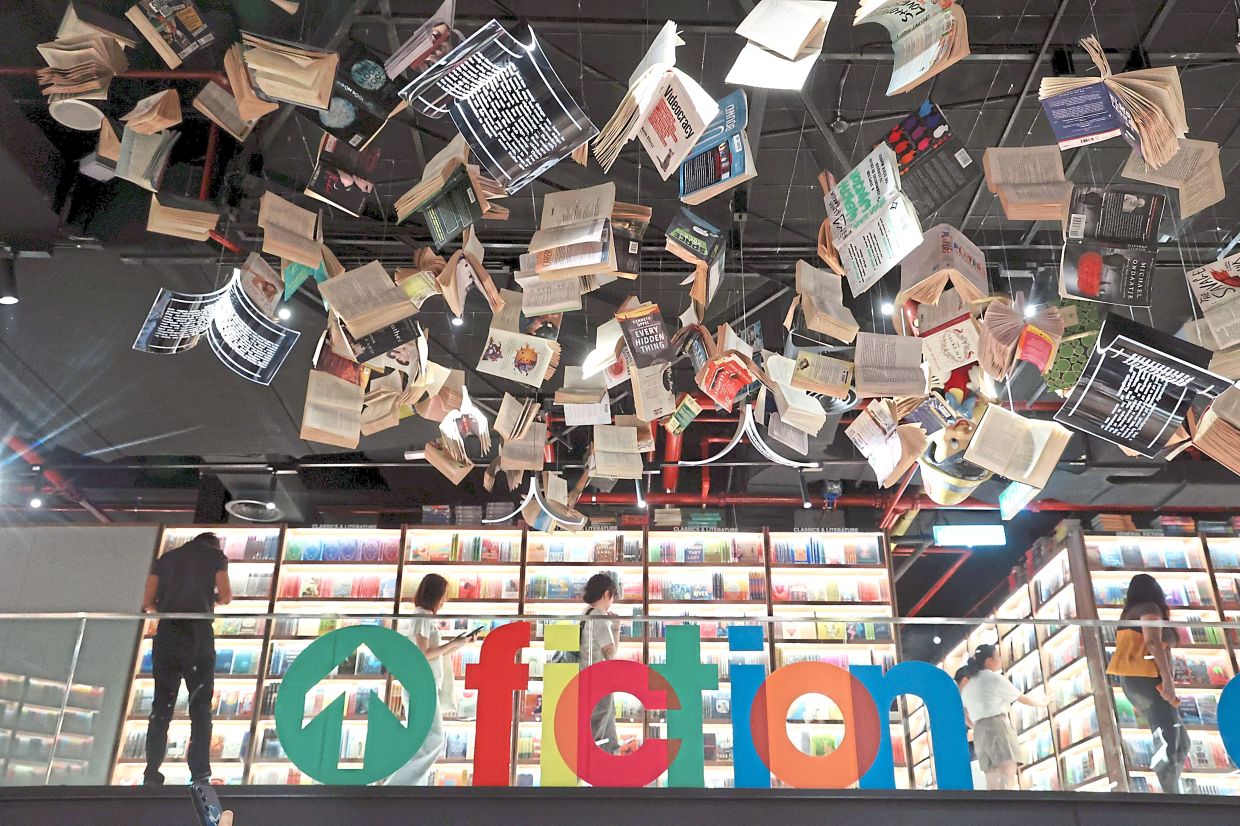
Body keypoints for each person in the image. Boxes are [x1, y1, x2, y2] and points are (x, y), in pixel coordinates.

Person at [141, 532, 232, 785]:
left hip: (167, 634)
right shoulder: (216, 557)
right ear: (214, 544)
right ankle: (200, 772)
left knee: (161, 705)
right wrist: (210, 600)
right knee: (200, 705)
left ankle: (152, 770)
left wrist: (169, 607)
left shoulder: (166, 558)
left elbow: (147, 601)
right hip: (198, 635)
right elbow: (225, 595)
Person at [385, 573, 478, 785]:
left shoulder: (424, 617)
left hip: (424, 685)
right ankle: (398, 787)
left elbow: (432, 653)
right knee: (433, 739)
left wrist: (457, 643)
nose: (444, 601)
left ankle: (403, 787)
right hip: (421, 686)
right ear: (434, 594)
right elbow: (423, 653)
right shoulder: (422, 616)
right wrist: (452, 644)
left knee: (424, 740)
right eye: (443, 595)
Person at [1106, 574, 1189, 793]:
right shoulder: (1149, 608)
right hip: (1148, 679)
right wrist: (1168, 681)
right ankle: (1172, 798)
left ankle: (1172, 790)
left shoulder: (1130, 612)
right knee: (1169, 738)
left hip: (1136, 680)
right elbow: (1153, 642)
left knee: (1178, 739)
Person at [958, 643, 1044, 790]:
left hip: (979, 731)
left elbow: (963, 711)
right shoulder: (994, 679)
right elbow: (1021, 697)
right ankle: (1008, 803)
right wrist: (1043, 703)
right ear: (988, 661)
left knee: (990, 774)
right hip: (997, 725)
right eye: (997, 656)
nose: (1000, 659)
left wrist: (975, 726)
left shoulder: (969, 684)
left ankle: (995, 808)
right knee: (1007, 769)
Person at [579, 573, 621, 754]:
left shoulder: (586, 612)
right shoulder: (599, 616)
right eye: (612, 596)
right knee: (601, 720)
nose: (611, 601)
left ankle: (612, 753)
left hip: (585, 675)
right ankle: (599, 759)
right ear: (606, 594)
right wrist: (617, 627)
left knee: (606, 719)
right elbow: (610, 653)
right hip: (599, 678)